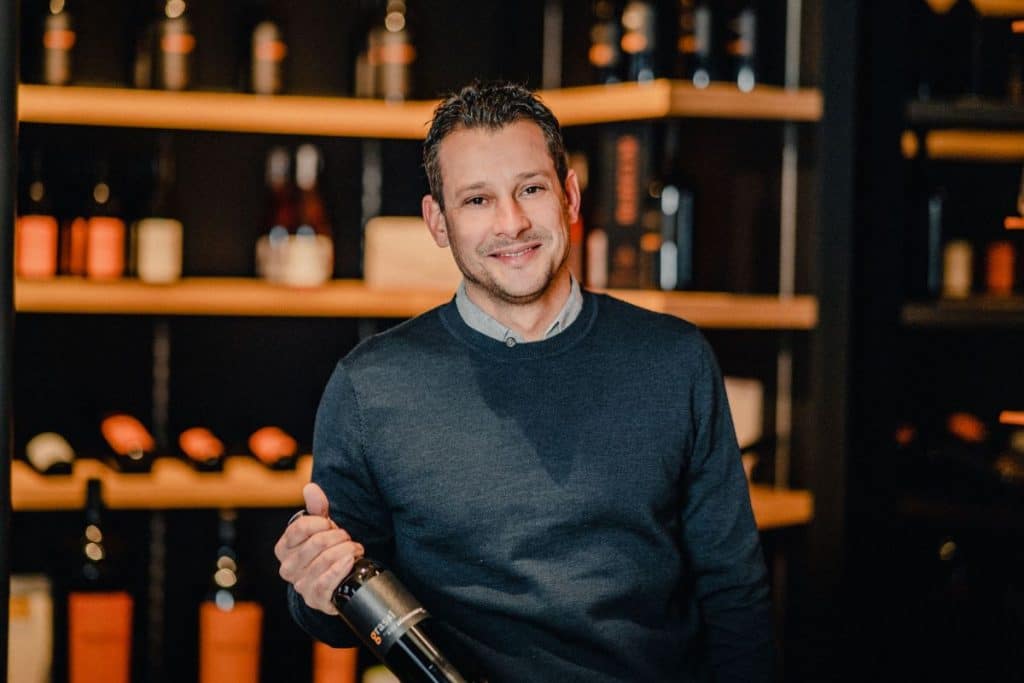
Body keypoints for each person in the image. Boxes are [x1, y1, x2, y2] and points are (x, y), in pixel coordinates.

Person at [274, 81, 774, 682]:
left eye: (531, 189)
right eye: (477, 200)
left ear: (570, 197)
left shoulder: (674, 360)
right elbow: (343, 609)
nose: (511, 223)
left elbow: (734, 592)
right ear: (437, 221)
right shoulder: (370, 386)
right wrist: (317, 588)